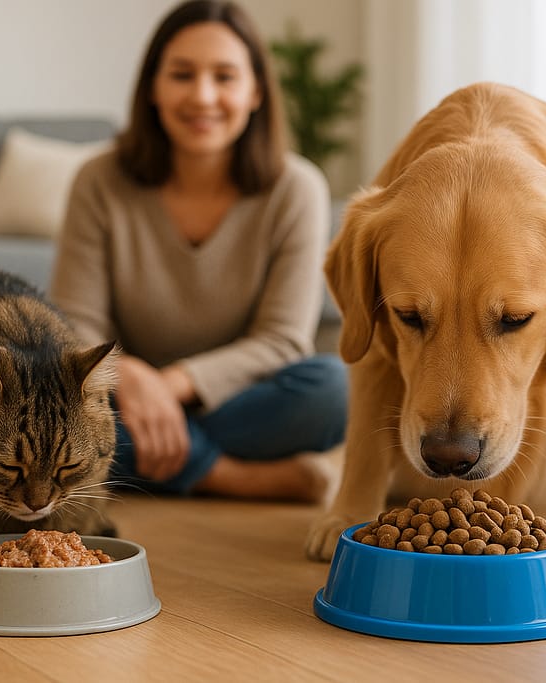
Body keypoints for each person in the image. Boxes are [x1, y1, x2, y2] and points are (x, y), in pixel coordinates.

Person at [50, 0, 347, 502]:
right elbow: (74, 327)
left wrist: (168, 386)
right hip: (117, 402)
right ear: (153, 89)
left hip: (234, 399)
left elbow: (281, 341)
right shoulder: (98, 181)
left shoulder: (296, 187)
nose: (203, 96)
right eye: (182, 74)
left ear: (255, 91)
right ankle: (228, 476)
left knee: (332, 389)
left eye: (225, 77)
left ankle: (157, 461)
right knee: (50, 411)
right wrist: (131, 377)